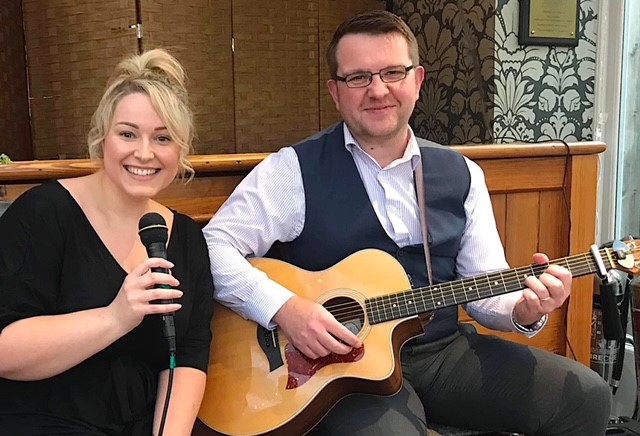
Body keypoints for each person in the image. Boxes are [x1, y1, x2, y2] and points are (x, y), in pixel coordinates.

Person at [203, 10, 611, 436]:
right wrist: (286, 310)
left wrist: (525, 310)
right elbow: (213, 248)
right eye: (358, 77)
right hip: (343, 372)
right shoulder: (292, 171)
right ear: (334, 92)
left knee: (585, 397)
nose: (378, 90)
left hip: (442, 355)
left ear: (417, 80)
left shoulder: (462, 174)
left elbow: (485, 288)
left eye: (392, 73)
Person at [0, 48, 214, 435]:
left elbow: (188, 356)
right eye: (128, 133)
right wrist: (115, 317)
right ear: (103, 139)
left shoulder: (187, 239)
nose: (144, 153)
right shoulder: (44, 212)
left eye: (162, 137)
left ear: (181, 150)